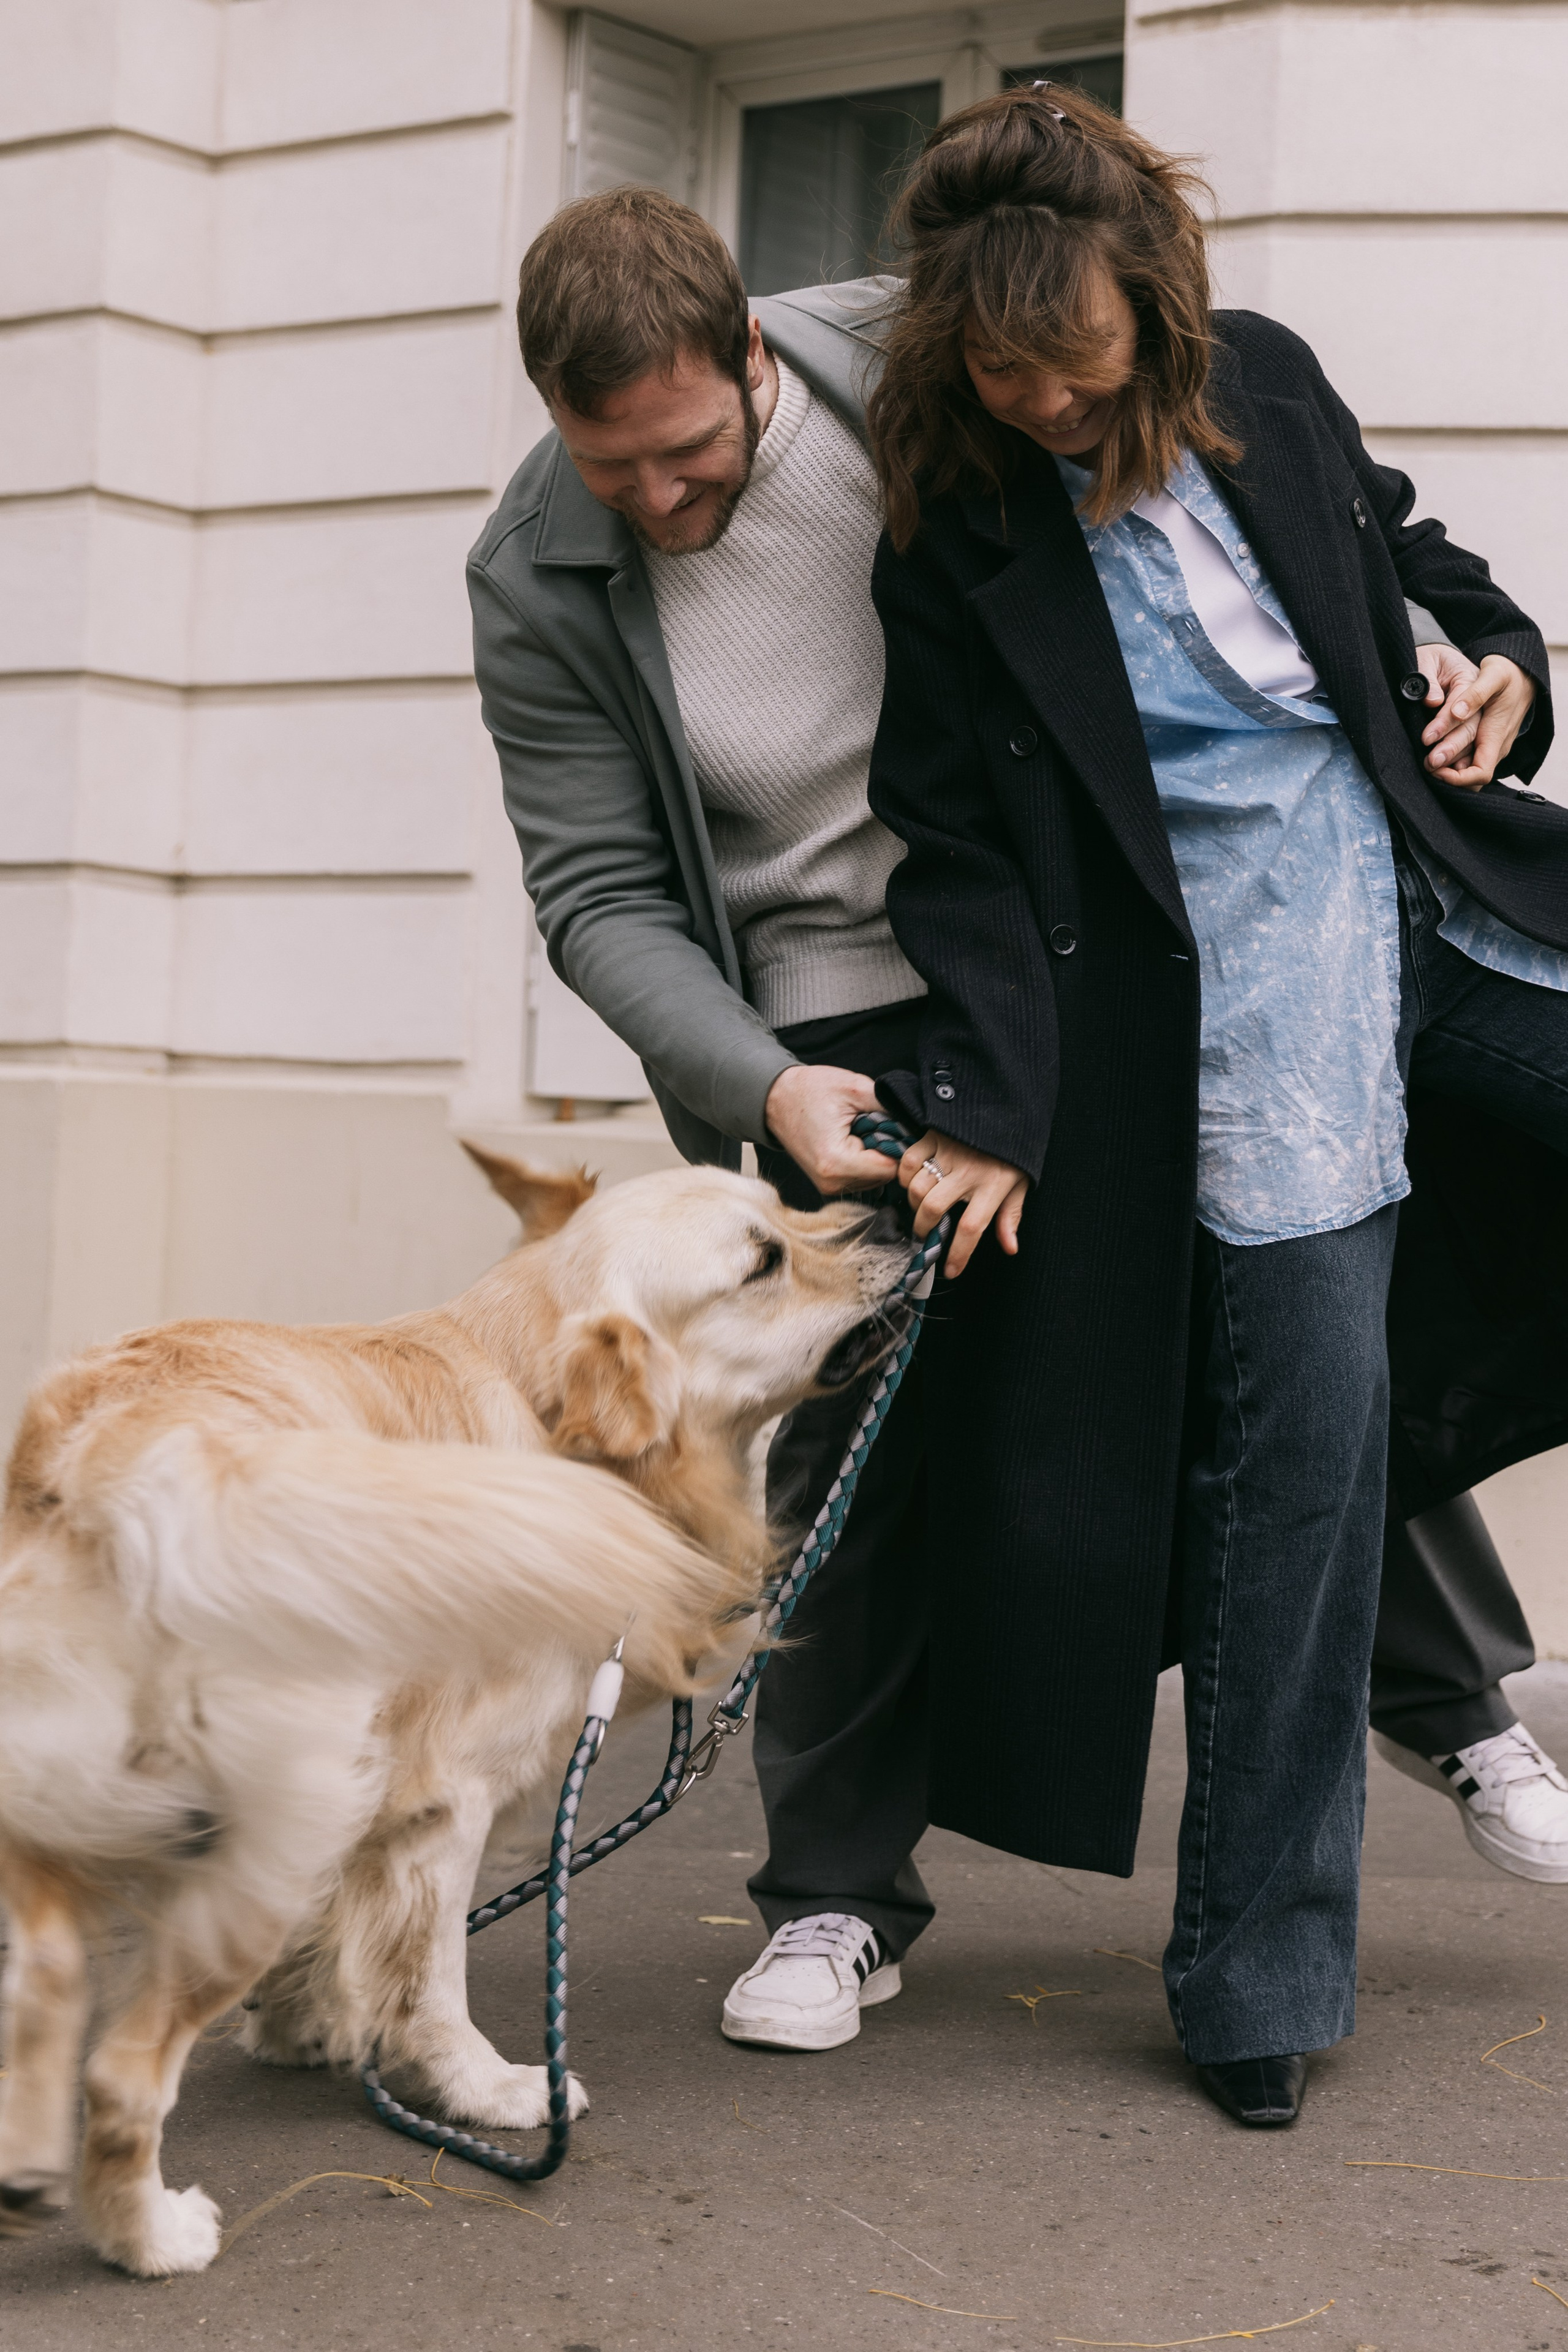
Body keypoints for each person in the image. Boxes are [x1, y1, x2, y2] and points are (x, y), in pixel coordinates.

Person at [464, 187, 1568, 2084]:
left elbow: (1313, 521)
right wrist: (763, 1083)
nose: (656, 500)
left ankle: (1453, 1702)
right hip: (831, 1019)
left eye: (690, 455)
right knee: (858, 1449)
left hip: (1105, 955)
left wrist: (1476, 655)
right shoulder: (539, 572)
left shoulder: (940, 375)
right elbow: (596, 895)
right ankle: (835, 1891)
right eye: (610, 468)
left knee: (1275, 1317)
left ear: (754, 357)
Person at [859, 85, 1568, 2124]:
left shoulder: (1269, 378)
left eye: (1079, 367)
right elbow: (955, 846)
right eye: (1003, 369)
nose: (1046, 401)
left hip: (1435, 886)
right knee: (1305, 1459)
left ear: (1158, 311)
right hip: (1232, 995)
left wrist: (1503, 667)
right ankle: (1256, 1973)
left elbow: (1426, 561)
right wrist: (996, 1095)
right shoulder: (957, 518)